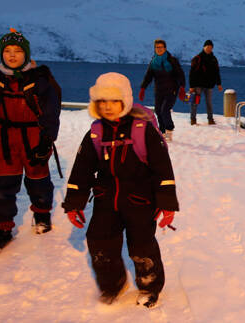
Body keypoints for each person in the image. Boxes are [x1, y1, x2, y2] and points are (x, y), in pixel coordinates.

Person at [62, 72, 179, 308]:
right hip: (107, 199)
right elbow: (82, 169)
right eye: (102, 101)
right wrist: (74, 202)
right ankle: (112, 283)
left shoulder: (142, 129)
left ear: (124, 101)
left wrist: (166, 203)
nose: (107, 107)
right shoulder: (95, 132)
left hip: (140, 200)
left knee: (142, 245)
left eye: (113, 101)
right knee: (99, 240)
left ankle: (149, 285)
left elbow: (162, 168)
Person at [0, 29, 61, 254]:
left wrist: (46, 140)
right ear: (1, 54)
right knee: (2, 187)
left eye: (17, 51)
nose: (12, 55)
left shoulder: (40, 82)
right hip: (5, 140)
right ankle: (2, 230)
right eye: (7, 51)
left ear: (26, 54)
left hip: (34, 136)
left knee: (39, 180)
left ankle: (42, 215)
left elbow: (51, 114)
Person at [139, 39, 185, 141]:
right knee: (159, 111)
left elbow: (180, 74)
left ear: (165, 48)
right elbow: (148, 76)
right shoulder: (153, 62)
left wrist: (182, 87)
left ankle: (169, 130)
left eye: (160, 47)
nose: (159, 49)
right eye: (157, 47)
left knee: (165, 110)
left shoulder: (172, 60)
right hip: (159, 90)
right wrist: (143, 88)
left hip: (171, 90)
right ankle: (162, 131)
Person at [188, 39, 222, 125]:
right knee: (195, 102)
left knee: (209, 103)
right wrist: (191, 86)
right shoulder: (197, 58)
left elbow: (217, 72)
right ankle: (193, 120)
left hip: (209, 85)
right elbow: (191, 73)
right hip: (198, 85)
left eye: (211, 47)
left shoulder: (214, 59)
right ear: (204, 47)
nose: (209, 49)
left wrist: (219, 84)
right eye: (207, 47)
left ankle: (210, 119)